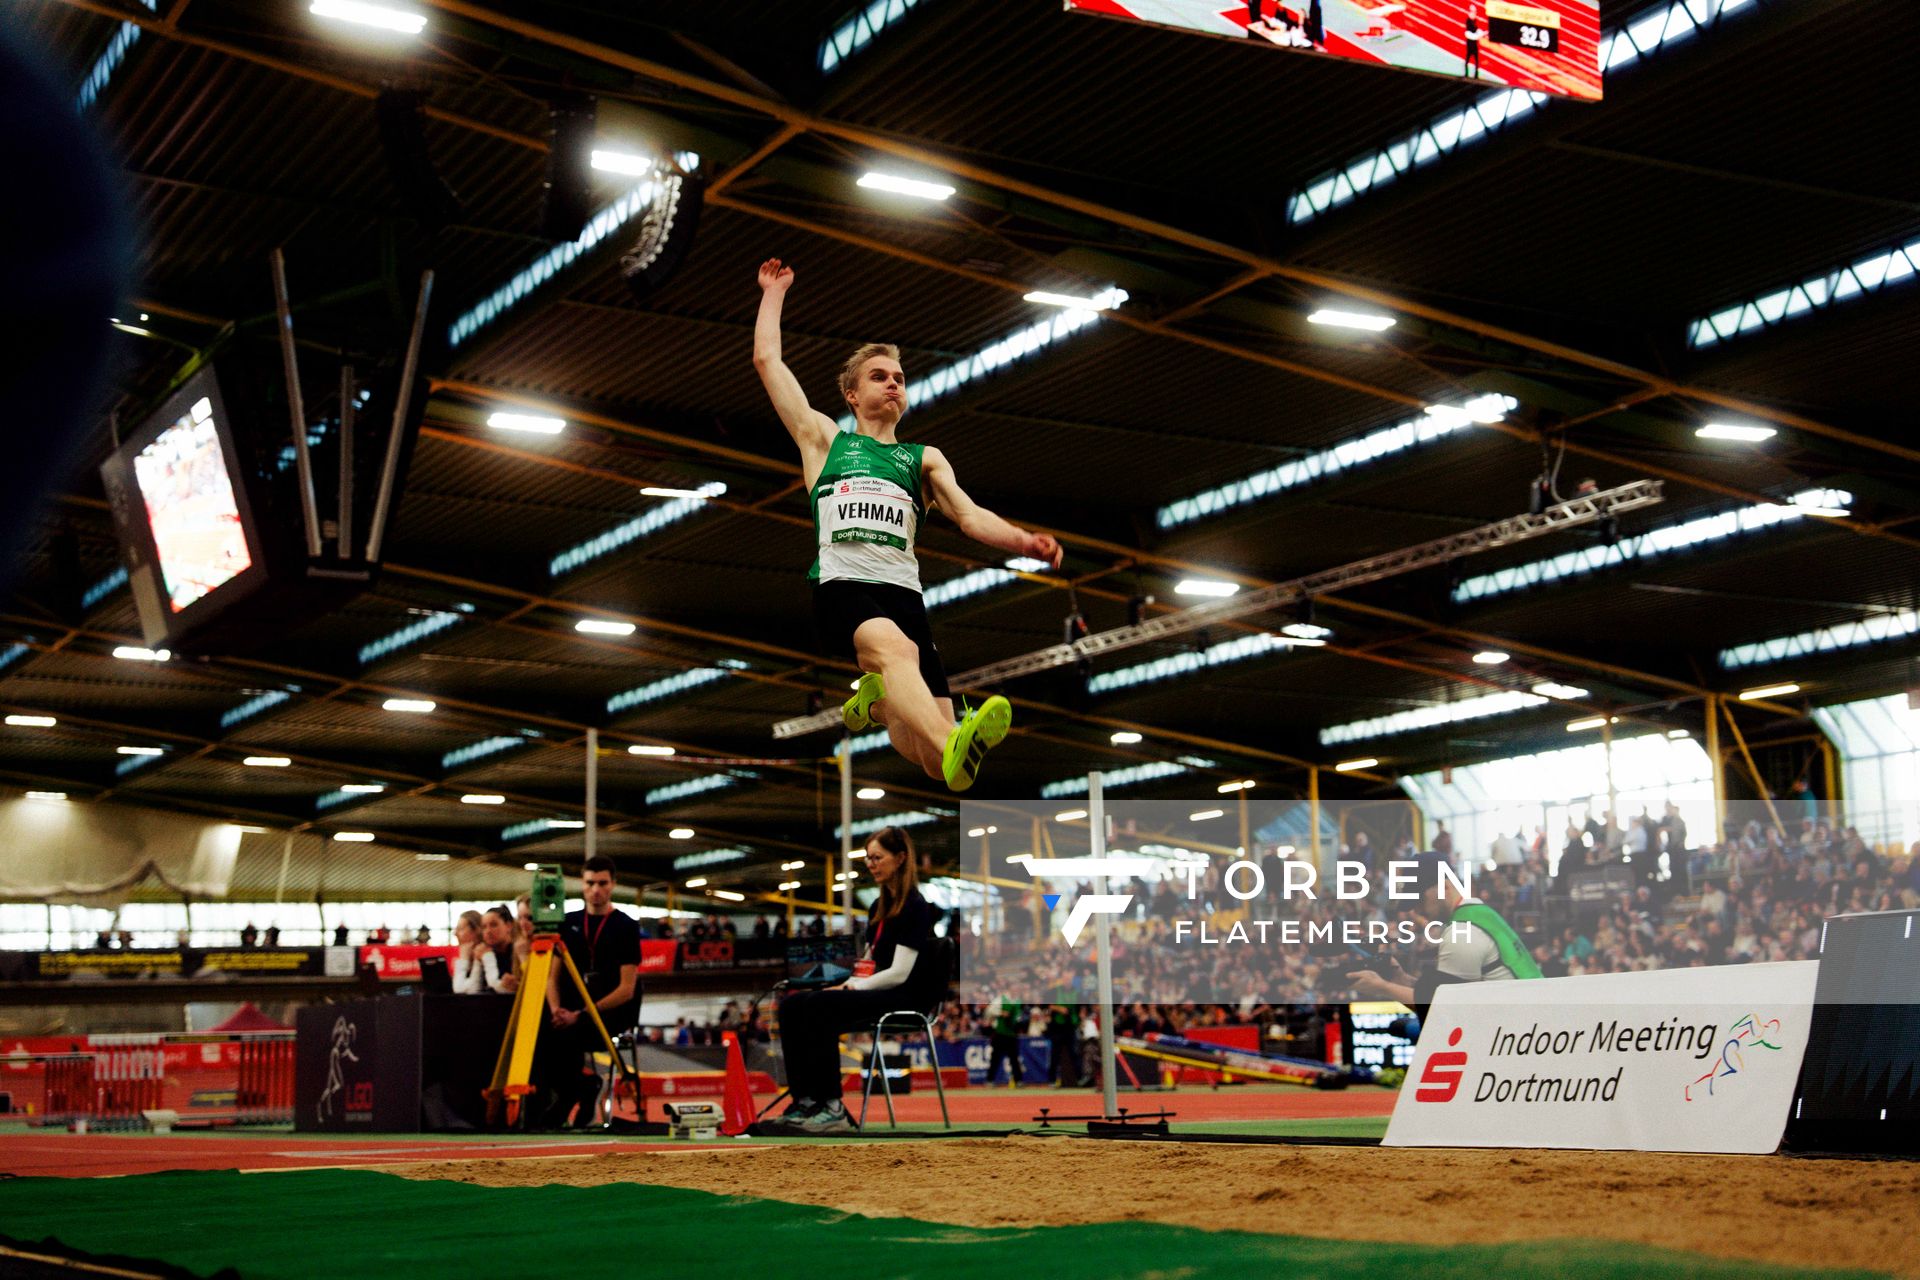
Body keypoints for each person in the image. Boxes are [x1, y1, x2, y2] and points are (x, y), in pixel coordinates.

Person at [753, 258, 1062, 792]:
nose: (893, 384)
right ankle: (950, 736)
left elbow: (968, 515)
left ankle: (878, 704)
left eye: (899, 378)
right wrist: (773, 291)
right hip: (842, 586)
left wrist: (1024, 542)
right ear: (852, 395)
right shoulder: (825, 441)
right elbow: (767, 360)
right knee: (916, 683)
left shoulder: (924, 459)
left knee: (924, 756)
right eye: (879, 377)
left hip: (904, 595)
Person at [765, 826, 942, 1134]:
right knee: (793, 1005)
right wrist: (847, 981)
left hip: (905, 995)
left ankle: (832, 1106)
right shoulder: (878, 907)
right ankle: (806, 1101)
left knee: (821, 1007)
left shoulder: (916, 906)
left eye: (878, 858)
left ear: (900, 858)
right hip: (876, 988)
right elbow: (868, 962)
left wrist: (853, 986)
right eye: (868, 859)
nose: (871, 864)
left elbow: (899, 973)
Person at [1348, 855, 1540, 1022]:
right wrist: (1402, 979)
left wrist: (1382, 988)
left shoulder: (1463, 931)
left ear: (1444, 887)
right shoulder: (1479, 913)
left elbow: (1441, 1009)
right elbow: (1449, 992)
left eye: (1419, 900)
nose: (1417, 910)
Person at [541, 855, 641, 1127]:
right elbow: (552, 977)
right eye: (590, 883)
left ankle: (575, 1095)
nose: (596, 889)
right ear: (582, 885)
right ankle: (582, 1087)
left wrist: (581, 1014)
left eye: (602, 883)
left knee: (571, 1034)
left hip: (610, 1015)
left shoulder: (626, 926)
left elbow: (626, 990)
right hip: (570, 1011)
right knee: (540, 1034)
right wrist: (556, 1010)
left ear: (613, 885)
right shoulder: (566, 923)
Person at [450, 911, 498, 994]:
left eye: (460, 929)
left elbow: (467, 990)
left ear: (476, 930)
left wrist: (463, 960)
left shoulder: (483, 951)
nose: (455, 933)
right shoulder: (470, 955)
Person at [482, 905, 518, 994]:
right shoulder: (483, 954)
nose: (488, 931)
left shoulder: (518, 953)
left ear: (509, 926)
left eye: (493, 925)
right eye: (484, 927)